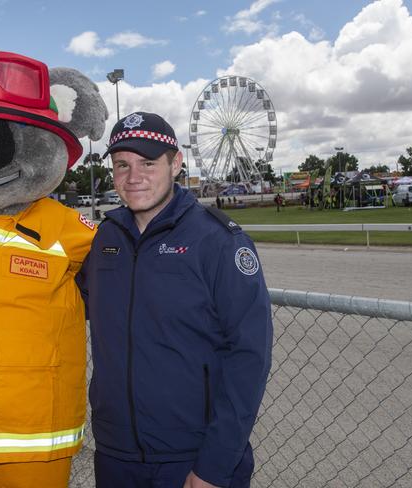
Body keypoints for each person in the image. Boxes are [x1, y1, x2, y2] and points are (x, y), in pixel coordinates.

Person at [77, 112, 273, 488]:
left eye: (148, 163)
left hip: (193, 458)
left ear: (176, 163)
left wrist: (214, 466)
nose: (133, 177)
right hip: (116, 455)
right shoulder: (105, 240)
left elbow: (250, 357)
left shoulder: (218, 241)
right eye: (122, 165)